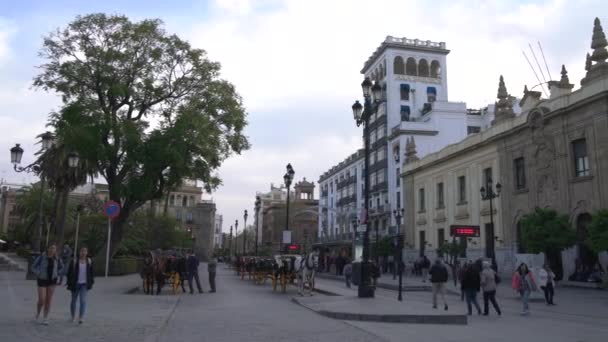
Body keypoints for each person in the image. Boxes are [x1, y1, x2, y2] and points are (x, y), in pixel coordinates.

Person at [32, 243, 64, 325]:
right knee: (42, 299)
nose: (52, 250)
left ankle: (45, 317)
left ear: (56, 250)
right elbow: (33, 267)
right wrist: (38, 273)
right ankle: (38, 313)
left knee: (48, 300)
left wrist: (57, 273)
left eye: (54, 248)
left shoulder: (57, 258)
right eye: (51, 248)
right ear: (48, 249)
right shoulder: (42, 257)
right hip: (42, 280)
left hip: (52, 281)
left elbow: (62, 267)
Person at [66, 247, 94, 324]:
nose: (83, 253)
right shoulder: (74, 261)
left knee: (83, 301)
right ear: (79, 252)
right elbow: (69, 273)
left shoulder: (89, 261)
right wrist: (69, 282)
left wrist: (91, 282)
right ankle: (73, 316)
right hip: (75, 284)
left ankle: (81, 317)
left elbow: (91, 273)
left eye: (85, 251)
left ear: (87, 252)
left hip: (84, 284)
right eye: (82, 251)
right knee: (73, 301)